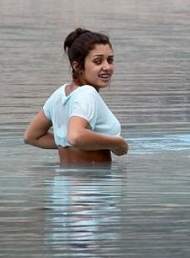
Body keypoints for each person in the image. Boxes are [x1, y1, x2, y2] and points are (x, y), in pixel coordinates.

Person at [24, 28, 128, 165]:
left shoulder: (59, 94)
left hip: (63, 184)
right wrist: (117, 143)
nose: (107, 67)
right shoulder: (87, 94)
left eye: (110, 60)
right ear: (77, 66)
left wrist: (66, 143)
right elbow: (76, 136)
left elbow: (31, 137)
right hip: (93, 183)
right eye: (98, 61)